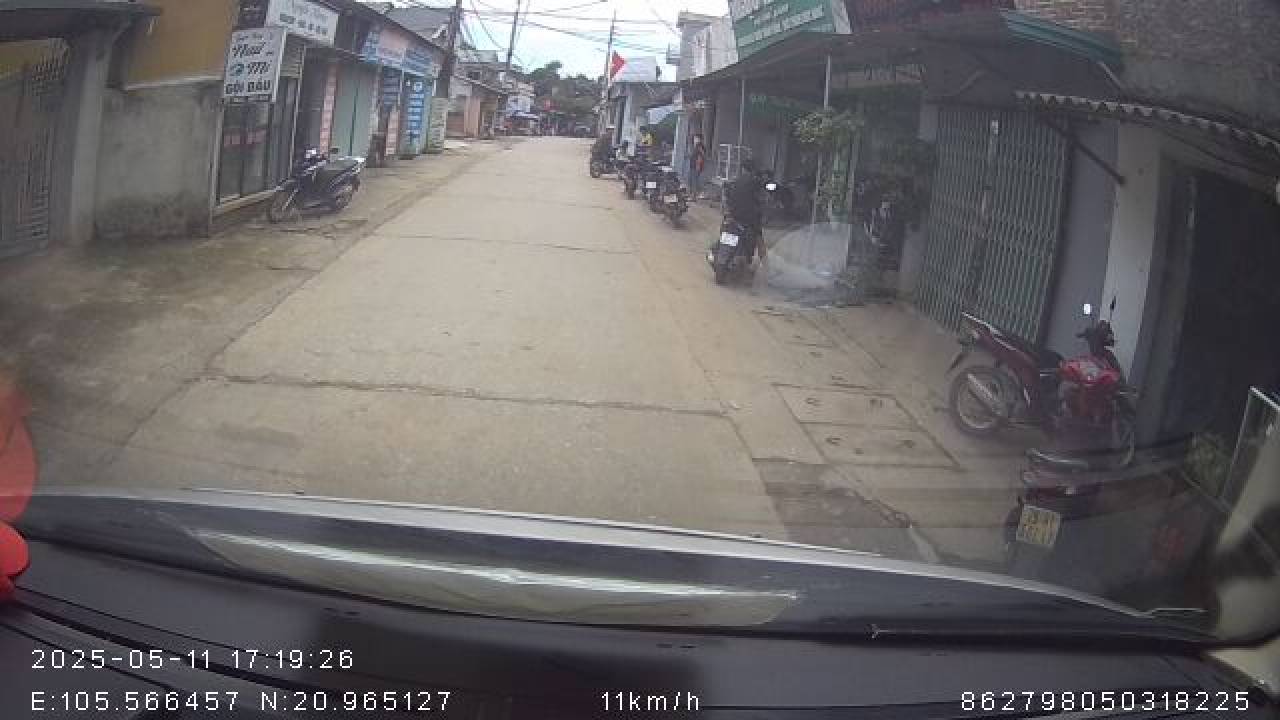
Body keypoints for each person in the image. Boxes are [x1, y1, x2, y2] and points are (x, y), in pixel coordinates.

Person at [721, 160, 769, 264]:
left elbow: (726, 192)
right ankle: (766, 266)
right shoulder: (756, 181)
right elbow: (762, 196)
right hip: (749, 218)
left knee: (725, 228)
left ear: (742, 169)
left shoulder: (735, 180)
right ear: (753, 170)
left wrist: (728, 209)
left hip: (733, 215)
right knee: (759, 238)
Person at [689, 133, 707, 201]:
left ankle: (696, 195)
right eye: (694, 138)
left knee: (695, 181)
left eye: (695, 138)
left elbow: (701, 156)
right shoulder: (696, 146)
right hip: (693, 165)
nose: (694, 139)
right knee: (692, 181)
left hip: (696, 166)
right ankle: (694, 195)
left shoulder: (700, 146)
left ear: (699, 139)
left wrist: (698, 165)